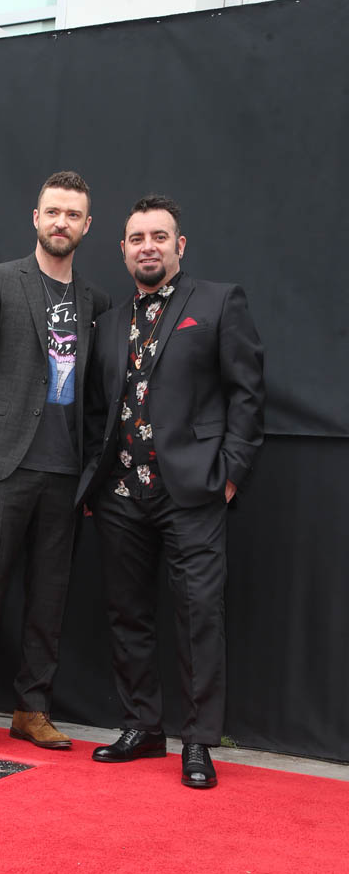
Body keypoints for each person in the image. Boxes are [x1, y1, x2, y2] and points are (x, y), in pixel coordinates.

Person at [80, 195, 264, 789]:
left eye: (159, 236)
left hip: (193, 489)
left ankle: (199, 742)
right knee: (127, 613)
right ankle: (142, 726)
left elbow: (247, 394)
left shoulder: (218, 302)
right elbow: (97, 409)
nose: (148, 246)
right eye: (137, 238)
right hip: (120, 494)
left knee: (198, 616)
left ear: (179, 245)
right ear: (123, 250)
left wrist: (230, 474)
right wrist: (94, 481)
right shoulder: (108, 323)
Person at [0, 171, 110, 758]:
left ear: (87, 226)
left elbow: (97, 397)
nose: (61, 222)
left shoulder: (95, 302)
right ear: (36, 218)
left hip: (66, 473)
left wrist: (93, 473)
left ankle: (32, 709)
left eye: (73, 214)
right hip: (2, 465)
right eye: (52, 211)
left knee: (49, 598)